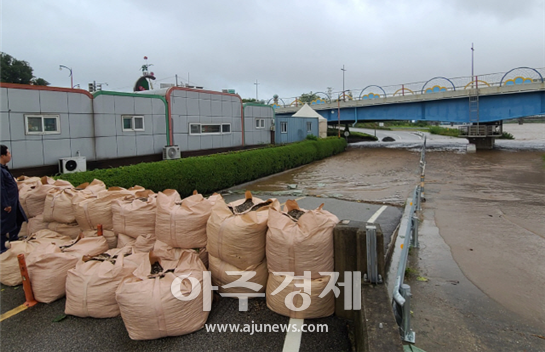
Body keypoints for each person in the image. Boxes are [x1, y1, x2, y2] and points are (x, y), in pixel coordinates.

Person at [1, 145, 27, 253]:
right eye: (8, 153)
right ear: (2, 155)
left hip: (13, 201)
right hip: (7, 204)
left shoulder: (3, 168)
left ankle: (13, 238)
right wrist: (5, 204)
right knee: (3, 225)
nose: (10, 155)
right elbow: (1, 189)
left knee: (19, 219)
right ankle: (1, 248)